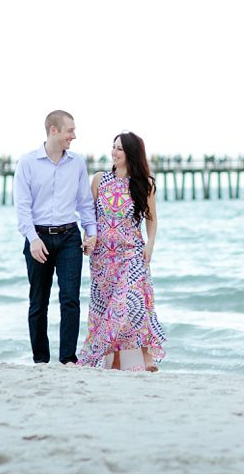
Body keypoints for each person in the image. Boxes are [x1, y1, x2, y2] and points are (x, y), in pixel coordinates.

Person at [77, 131, 166, 371]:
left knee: (135, 301)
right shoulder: (99, 180)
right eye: (113, 147)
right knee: (107, 306)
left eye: (119, 148)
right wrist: (89, 238)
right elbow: (90, 217)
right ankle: (114, 360)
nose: (113, 152)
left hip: (132, 252)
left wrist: (150, 244)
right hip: (103, 255)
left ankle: (147, 358)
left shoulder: (145, 184)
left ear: (131, 154)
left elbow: (152, 218)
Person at [14, 110, 96, 364]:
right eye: (70, 130)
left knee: (70, 299)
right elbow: (22, 207)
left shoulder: (77, 163)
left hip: (69, 236)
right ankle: (41, 360)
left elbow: (84, 203)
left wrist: (90, 232)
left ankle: (68, 359)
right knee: (38, 302)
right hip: (38, 237)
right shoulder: (27, 163)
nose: (74, 135)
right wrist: (32, 238)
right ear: (54, 130)